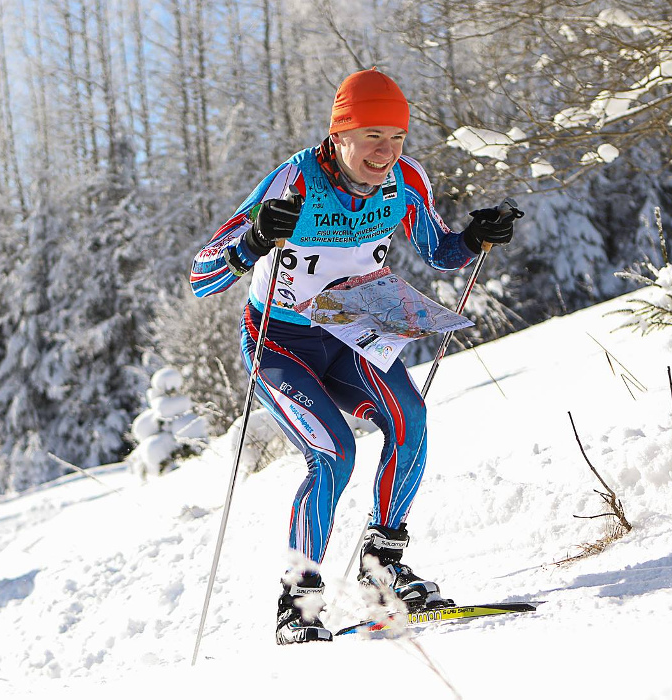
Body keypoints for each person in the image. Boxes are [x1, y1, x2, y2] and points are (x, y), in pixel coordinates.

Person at [190, 68, 522, 645]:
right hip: (279, 341)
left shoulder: (407, 181)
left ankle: (383, 568)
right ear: (339, 133)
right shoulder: (293, 182)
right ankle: (298, 601)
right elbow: (202, 276)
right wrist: (252, 242)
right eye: (371, 136)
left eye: (395, 138)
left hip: (350, 330)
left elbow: (440, 251)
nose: (384, 152)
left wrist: (475, 237)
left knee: (410, 420)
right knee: (333, 453)